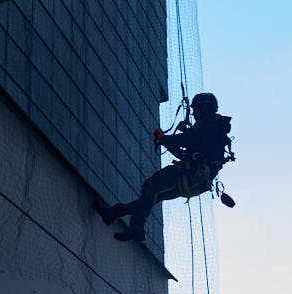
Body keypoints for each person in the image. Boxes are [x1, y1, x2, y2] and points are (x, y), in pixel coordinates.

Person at [94, 92, 232, 241]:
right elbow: (190, 153)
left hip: (187, 174)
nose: (193, 113)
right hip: (196, 183)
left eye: (196, 109)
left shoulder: (207, 123)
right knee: (152, 197)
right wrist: (165, 142)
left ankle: (136, 227)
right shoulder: (217, 131)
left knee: (150, 186)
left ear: (204, 108)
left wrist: (163, 138)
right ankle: (113, 213)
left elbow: (186, 139)